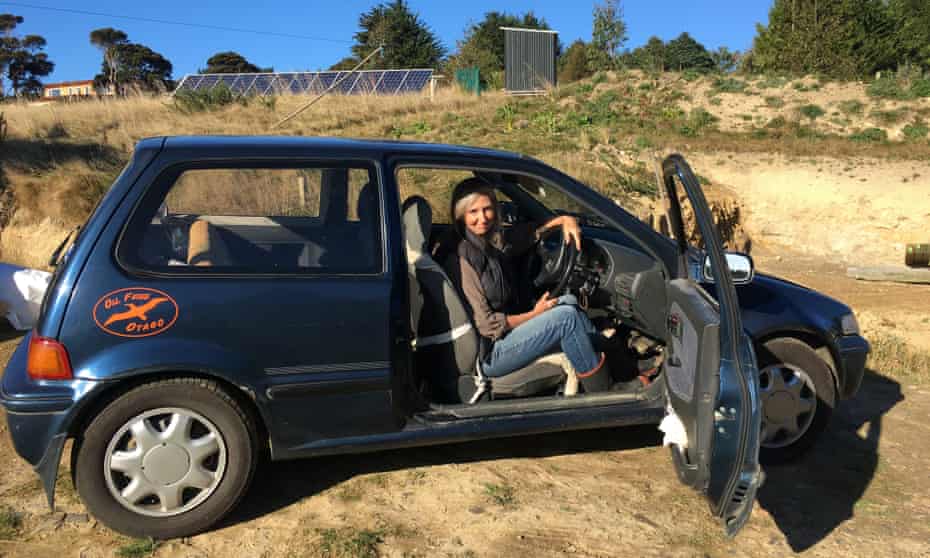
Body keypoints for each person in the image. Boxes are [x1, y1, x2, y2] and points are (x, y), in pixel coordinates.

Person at [438, 178, 612, 395]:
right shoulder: (461, 258)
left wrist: (562, 221)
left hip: (498, 339)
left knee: (569, 302)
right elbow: (487, 326)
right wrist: (535, 314)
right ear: (460, 214)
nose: (482, 218)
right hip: (488, 354)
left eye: (487, 209)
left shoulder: (485, 242)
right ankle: (605, 394)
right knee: (566, 318)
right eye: (473, 211)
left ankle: (612, 362)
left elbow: (522, 236)